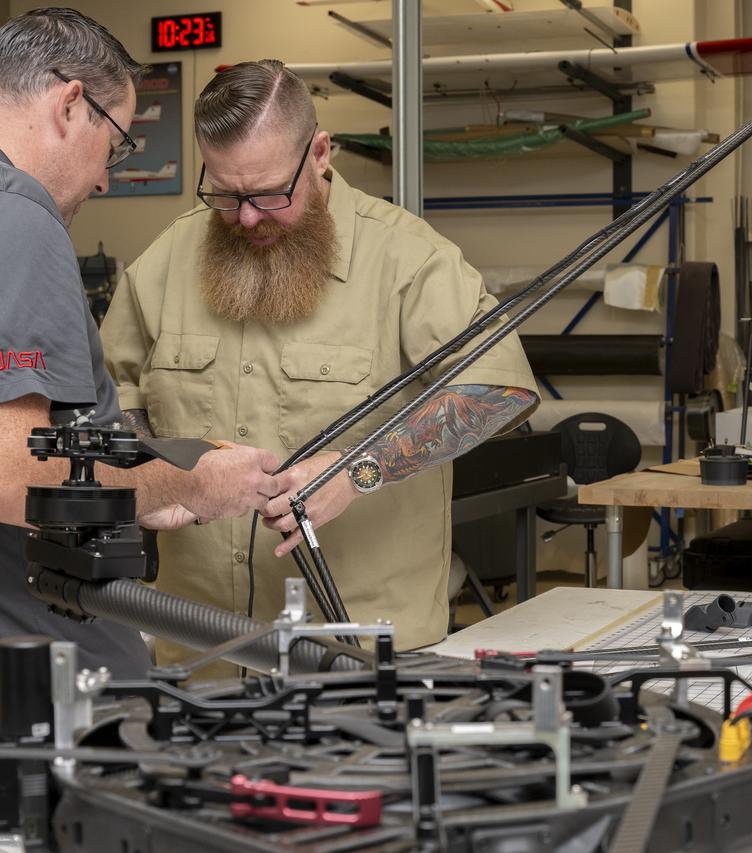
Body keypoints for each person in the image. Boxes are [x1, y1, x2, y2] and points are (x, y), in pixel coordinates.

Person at [101, 60, 538, 669]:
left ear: (321, 153)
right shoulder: (166, 260)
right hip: (199, 647)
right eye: (225, 194)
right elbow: (116, 399)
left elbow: (499, 390)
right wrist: (156, 478)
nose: (247, 217)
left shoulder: (408, 260)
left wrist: (358, 470)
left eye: (270, 192)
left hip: (357, 652)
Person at [0, 9, 283, 678]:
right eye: (117, 144)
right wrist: (193, 480)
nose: (104, 180)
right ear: (72, 103)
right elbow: (14, 473)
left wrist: (145, 480)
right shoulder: (21, 216)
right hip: (48, 675)